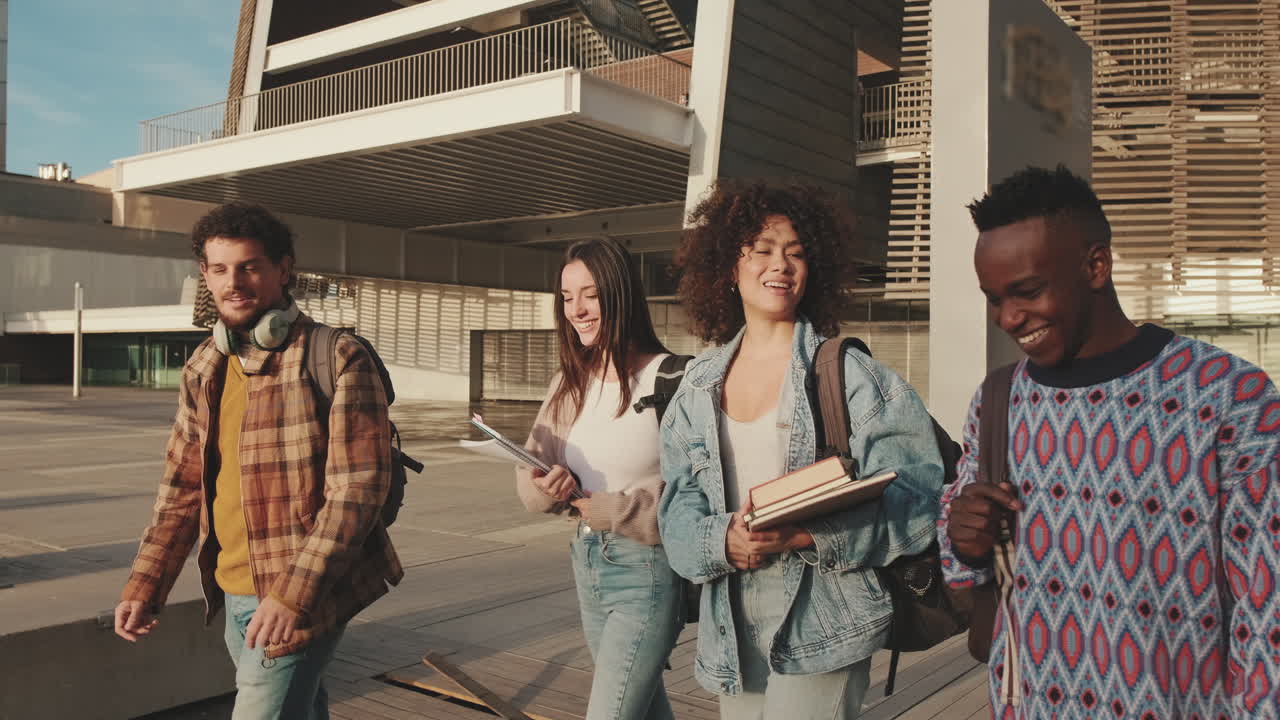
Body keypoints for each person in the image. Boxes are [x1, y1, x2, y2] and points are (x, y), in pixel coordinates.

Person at [939, 165, 1280, 718]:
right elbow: (962, 573)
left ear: (1096, 266)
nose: (1007, 318)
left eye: (1027, 292)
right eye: (993, 298)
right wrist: (963, 539)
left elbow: (1268, 608)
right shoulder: (997, 400)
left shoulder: (1227, 396)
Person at [656, 181, 945, 719]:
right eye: (762, 250)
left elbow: (919, 501)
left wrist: (807, 534)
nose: (780, 265)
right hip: (729, 624)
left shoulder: (851, 377)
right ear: (728, 266)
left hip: (828, 613)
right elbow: (676, 510)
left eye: (796, 252)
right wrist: (722, 540)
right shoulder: (696, 387)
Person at [114, 203, 402, 719]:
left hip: (304, 591)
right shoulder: (204, 364)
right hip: (232, 590)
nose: (234, 282)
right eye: (220, 269)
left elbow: (358, 490)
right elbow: (181, 489)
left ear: (283, 269)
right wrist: (146, 583)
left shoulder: (336, 356)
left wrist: (294, 595)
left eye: (249, 267)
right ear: (205, 274)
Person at [515, 237, 685, 720]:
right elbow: (529, 469)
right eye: (568, 297)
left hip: (647, 570)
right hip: (587, 561)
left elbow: (698, 495)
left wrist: (615, 510)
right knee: (643, 709)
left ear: (620, 293)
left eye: (590, 295)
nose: (577, 310)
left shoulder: (674, 380)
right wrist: (544, 488)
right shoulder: (569, 382)